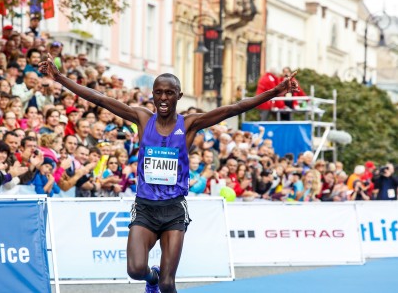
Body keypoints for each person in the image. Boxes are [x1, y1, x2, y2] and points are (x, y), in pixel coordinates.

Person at [39, 54, 297, 293]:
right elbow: (100, 99)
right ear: (152, 95)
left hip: (174, 210)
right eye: (158, 93)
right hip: (145, 208)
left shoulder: (190, 124)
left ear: (178, 95)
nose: (163, 98)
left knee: (168, 283)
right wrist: (60, 78)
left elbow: (234, 108)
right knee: (136, 270)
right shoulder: (142, 118)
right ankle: (150, 279)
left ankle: (159, 280)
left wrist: (275, 91)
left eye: (169, 93)